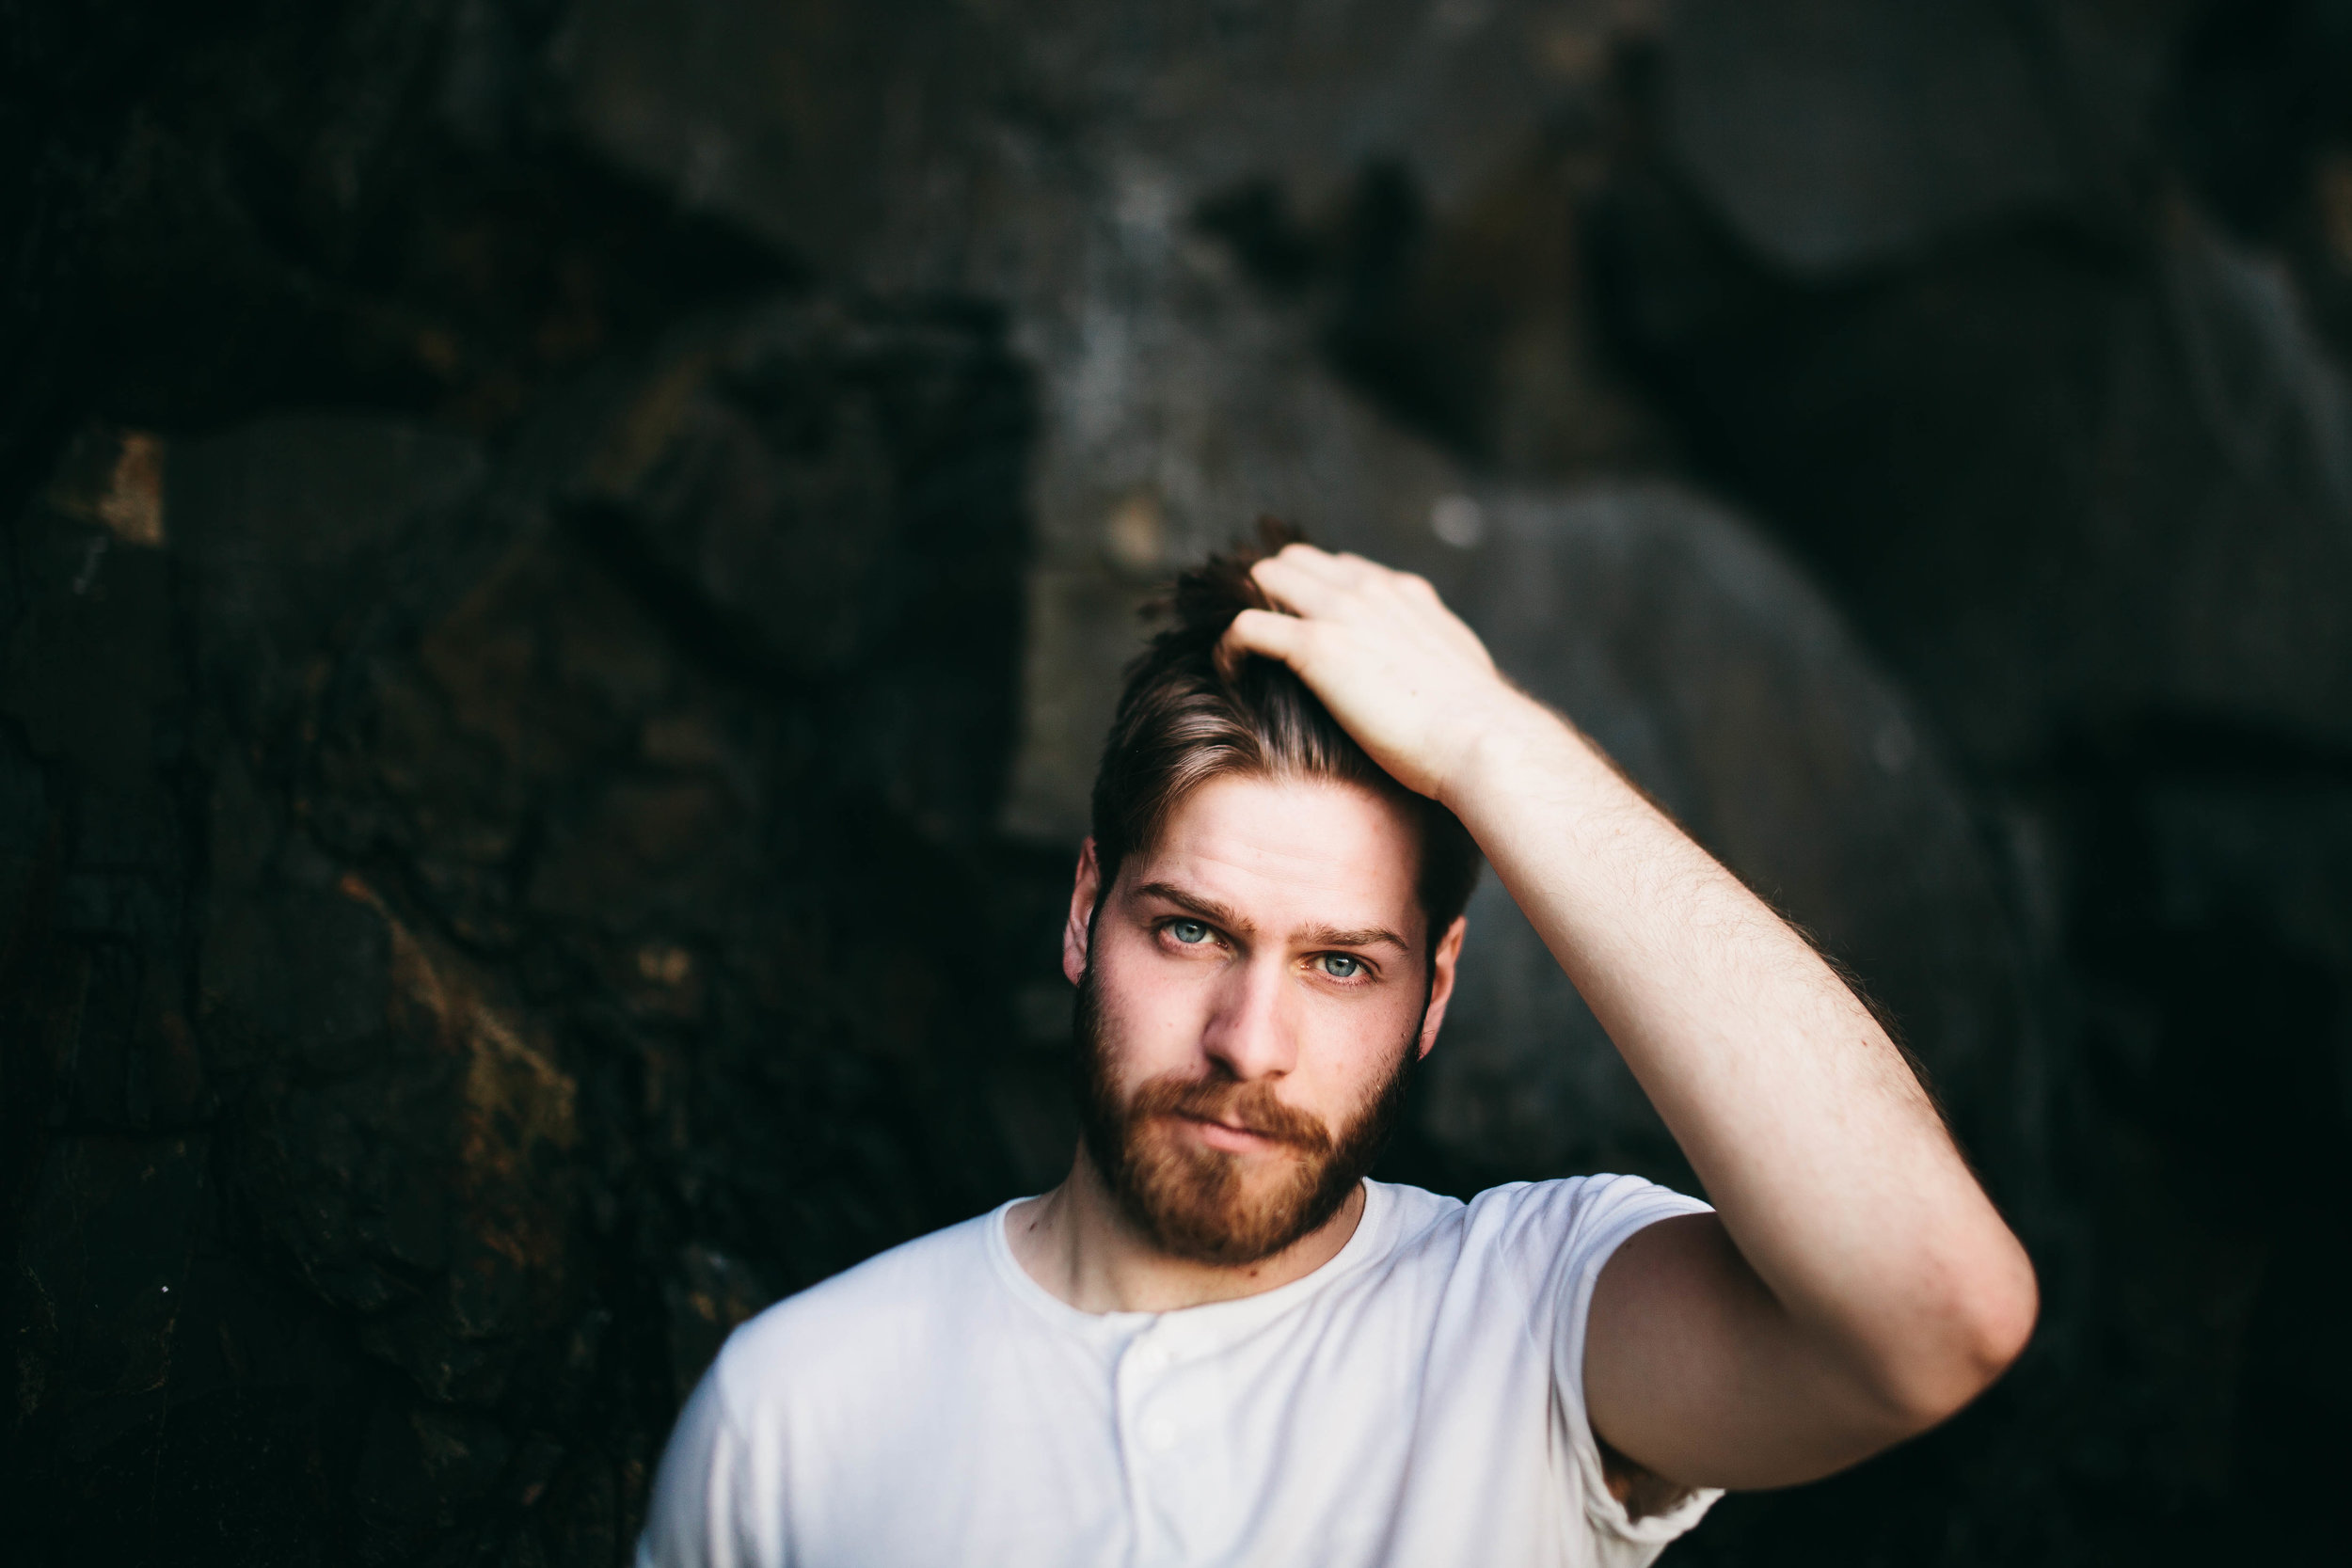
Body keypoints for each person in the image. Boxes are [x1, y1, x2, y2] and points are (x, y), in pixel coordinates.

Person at [638, 530, 2039, 1568]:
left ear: (1434, 995)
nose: (1250, 1043)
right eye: (1190, 932)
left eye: (1340, 964)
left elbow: (1938, 1315)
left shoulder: (1532, 1325)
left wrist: (1493, 744)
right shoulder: (795, 1412)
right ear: (1083, 913)